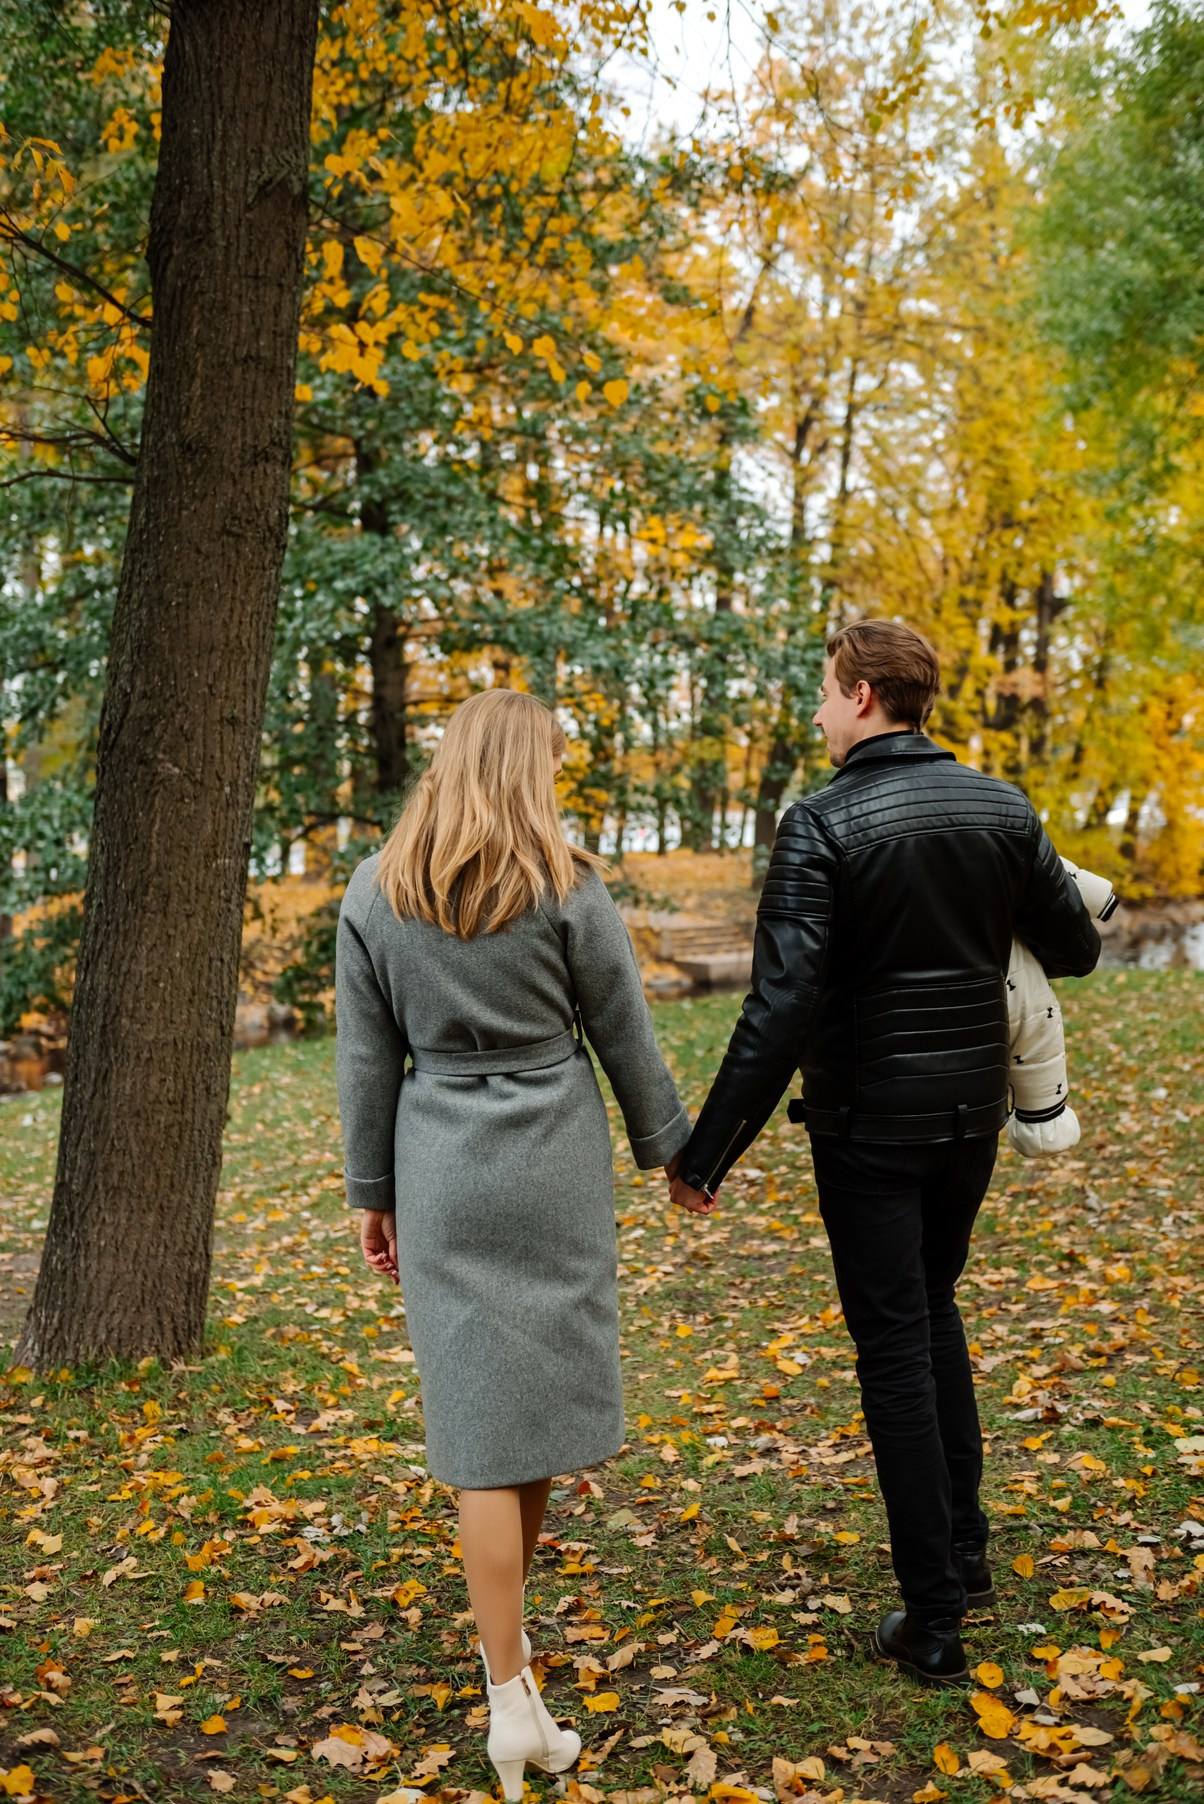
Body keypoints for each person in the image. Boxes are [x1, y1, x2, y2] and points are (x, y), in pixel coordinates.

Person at [670, 619, 1101, 1686]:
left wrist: (703, 1152)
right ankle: (962, 1548)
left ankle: (934, 1616)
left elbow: (779, 1008)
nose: (816, 710)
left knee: (895, 1346)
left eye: (824, 691)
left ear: (865, 695)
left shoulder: (819, 823)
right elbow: (1078, 947)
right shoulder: (1000, 806)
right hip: (966, 1119)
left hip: (868, 1128)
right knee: (930, 1308)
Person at [335, 690, 689, 1793]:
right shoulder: (565, 884)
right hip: (549, 1160)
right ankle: (511, 1692)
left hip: (441, 1161)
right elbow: (621, 1023)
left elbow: (364, 1058)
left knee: (488, 1424)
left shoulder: (377, 888)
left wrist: (371, 1189)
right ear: (525, 765)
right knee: (512, 1429)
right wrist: (670, 1146)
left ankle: (512, 1693)